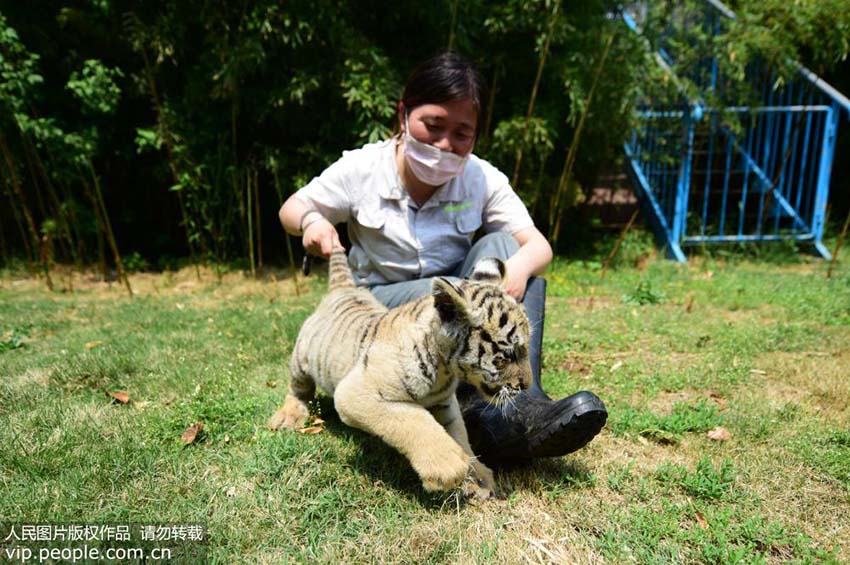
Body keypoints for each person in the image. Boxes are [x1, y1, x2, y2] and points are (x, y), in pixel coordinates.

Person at [278, 52, 607, 466]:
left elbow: (538, 246)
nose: (445, 144)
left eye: (462, 133)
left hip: (457, 305)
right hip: (385, 306)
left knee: (507, 247)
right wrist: (312, 221)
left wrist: (517, 272)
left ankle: (522, 404)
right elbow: (291, 207)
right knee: (482, 286)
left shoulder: (482, 177)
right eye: (433, 126)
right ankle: (487, 417)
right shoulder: (362, 168)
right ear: (404, 115)